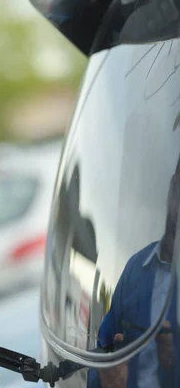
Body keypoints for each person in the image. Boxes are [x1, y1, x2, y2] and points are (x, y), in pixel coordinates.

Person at [88, 156, 180, 388]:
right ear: (170, 189)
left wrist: (172, 364)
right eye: (178, 187)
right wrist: (104, 378)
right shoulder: (137, 267)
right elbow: (100, 353)